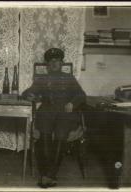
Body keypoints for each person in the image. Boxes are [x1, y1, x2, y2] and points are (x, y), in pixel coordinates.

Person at [22, 48, 87, 188]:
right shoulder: (42, 79)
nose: (53, 63)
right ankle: (47, 174)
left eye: (56, 60)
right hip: (46, 112)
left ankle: (50, 175)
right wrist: (29, 95)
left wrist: (72, 103)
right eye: (50, 61)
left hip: (65, 113)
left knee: (60, 134)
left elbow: (82, 95)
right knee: (44, 134)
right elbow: (27, 92)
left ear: (61, 62)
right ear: (47, 64)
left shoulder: (69, 78)